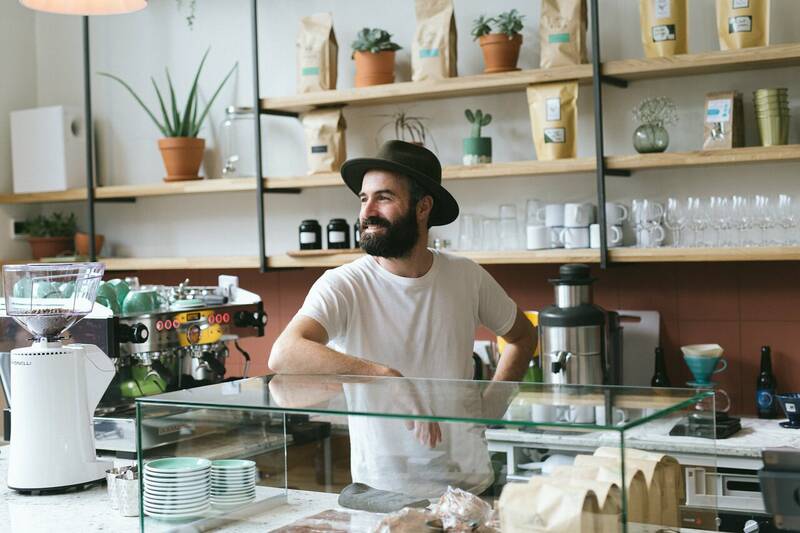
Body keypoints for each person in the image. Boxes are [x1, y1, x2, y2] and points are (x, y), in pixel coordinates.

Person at [270, 140, 537, 497]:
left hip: (470, 484)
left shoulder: (466, 276)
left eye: (384, 197)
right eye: (364, 199)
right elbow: (284, 353)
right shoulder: (344, 284)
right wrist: (386, 376)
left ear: (423, 207)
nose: (368, 211)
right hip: (383, 491)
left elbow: (523, 336)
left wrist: (491, 407)